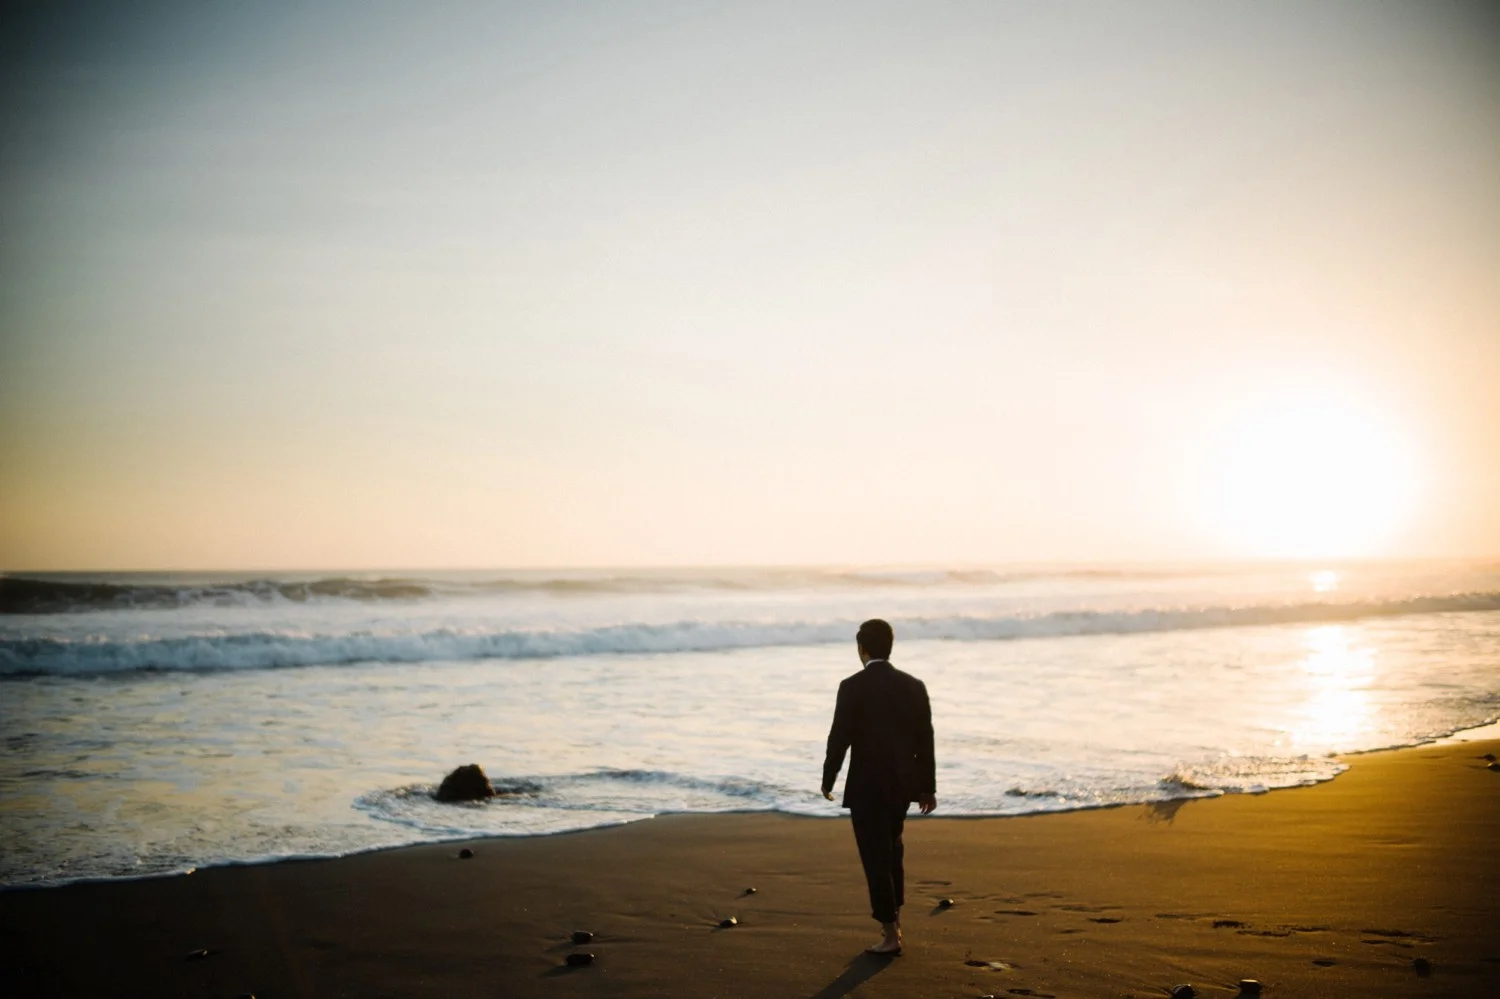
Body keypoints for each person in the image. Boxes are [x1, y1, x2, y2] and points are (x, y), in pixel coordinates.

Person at [820, 618, 936, 956]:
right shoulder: (913, 686)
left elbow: (838, 738)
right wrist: (926, 788)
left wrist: (829, 779)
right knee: (893, 853)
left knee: (875, 859)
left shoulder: (851, 686)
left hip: (867, 787)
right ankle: (894, 923)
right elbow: (924, 741)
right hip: (901, 786)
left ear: (862, 649)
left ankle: (890, 934)